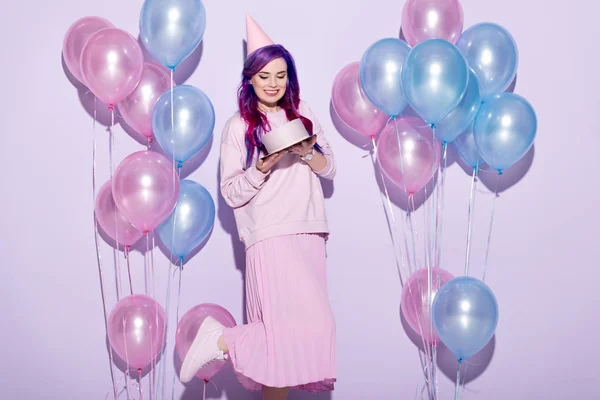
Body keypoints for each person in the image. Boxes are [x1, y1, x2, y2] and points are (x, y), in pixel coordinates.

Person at [179, 14, 337, 400]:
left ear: (290, 78)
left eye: (280, 75)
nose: (273, 83)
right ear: (250, 79)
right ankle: (222, 339)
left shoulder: (304, 114)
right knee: (278, 337)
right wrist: (261, 166)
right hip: (268, 234)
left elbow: (330, 168)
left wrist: (306, 151)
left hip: (310, 229)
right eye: (264, 76)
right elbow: (231, 193)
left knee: (305, 335)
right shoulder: (238, 127)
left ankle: (221, 339)